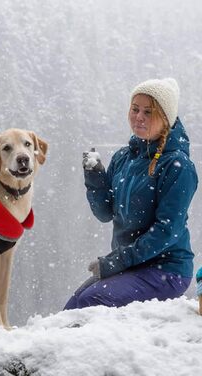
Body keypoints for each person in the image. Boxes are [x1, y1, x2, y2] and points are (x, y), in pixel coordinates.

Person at [64, 78, 198, 310]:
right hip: (130, 266)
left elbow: (167, 230)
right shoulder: (123, 157)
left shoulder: (178, 165)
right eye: (135, 109)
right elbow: (105, 213)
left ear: (166, 118)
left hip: (167, 270)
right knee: (74, 303)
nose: (139, 116)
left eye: (148, 112)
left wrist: (115, 262)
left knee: (91, 301)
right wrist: (94, 177)